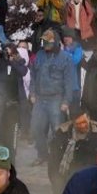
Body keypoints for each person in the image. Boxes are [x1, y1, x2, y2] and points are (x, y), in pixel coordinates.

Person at [29, 29, 74, 166]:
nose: (45, 44)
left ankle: (57, 156)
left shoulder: (65, 58)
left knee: (57, 131)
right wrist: (32, 93)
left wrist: (66, 101)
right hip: (40, 99)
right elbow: (33, 75)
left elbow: (69, 81)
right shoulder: (39, 55)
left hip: (56, 99)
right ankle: (42, 155)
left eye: (48, 42)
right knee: (36, 128)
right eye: (44, 41)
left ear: (55, 42)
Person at [48, 109, 97, 194]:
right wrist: (55, 180)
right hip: (63, 174)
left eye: (84, 122)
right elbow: (53, 160)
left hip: (88, 176)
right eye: (79, 123)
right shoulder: (62, 133)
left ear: (89, 119)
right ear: (73, 123)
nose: (83, 126)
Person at [0, 43, 28, 154]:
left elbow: (23, 71)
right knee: (1, 129)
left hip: (14, 102)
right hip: (1, 101)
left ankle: (12, 155)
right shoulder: (0, 60)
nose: (6, 52)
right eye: (5, 50)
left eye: (8, 50)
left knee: (12, 130)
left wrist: (12, 61)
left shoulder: (18, 60)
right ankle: (3, 152)